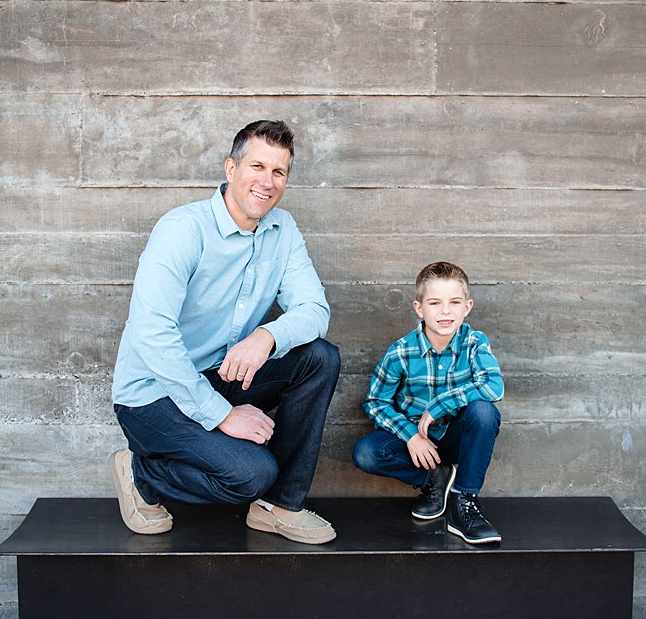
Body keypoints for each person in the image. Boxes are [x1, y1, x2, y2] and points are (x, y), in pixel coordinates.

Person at [108, 120, 340, 545]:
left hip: (222, 374)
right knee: (251, 474)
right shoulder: (182, 229)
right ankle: (142, 474)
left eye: (279, 172)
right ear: (230, 168)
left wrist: (267, 336)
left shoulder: (282, 229)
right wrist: (221, 414)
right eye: (257, 166)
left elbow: (314, 309)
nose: (267, 182)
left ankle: (279, 506)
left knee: (319, 357)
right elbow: (152, 333)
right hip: (153, 394)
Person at [353, 261, 504, 544]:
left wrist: (439, 406)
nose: (445, 311)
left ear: (467, 307)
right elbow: (375, 402)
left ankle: (464, 501)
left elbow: (494, 386)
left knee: (484, 412)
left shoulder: (474, 343)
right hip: (416, 442)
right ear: (419, 309)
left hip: (455, 437)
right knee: (366, 453)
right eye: (435, 303)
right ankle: (434, 479)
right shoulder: (401, 352)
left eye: (454, 302)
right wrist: (411, 437)